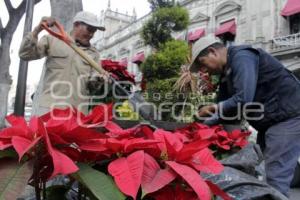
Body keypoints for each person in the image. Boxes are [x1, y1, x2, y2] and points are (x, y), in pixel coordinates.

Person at [190, 35, 300, 197]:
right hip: (269, 123)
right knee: (259, 173)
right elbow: (226, 112)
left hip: (287, 117)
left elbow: (243, 99)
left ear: (213, 52)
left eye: (202, 63)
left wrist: (213, 108)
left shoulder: (242, 57)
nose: (203, 70)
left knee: (276, 179)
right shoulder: (226, 74)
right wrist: (198, 127)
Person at [19, 11, 109, 116]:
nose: (91, 34)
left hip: (77, 113)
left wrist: (99, 80)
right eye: (90, 29)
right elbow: (25, 54)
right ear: (76, 25)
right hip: (48, 110)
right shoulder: (52, 40)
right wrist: (37, 30)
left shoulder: (94, 55)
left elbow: (92, 87)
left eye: (94, 31)